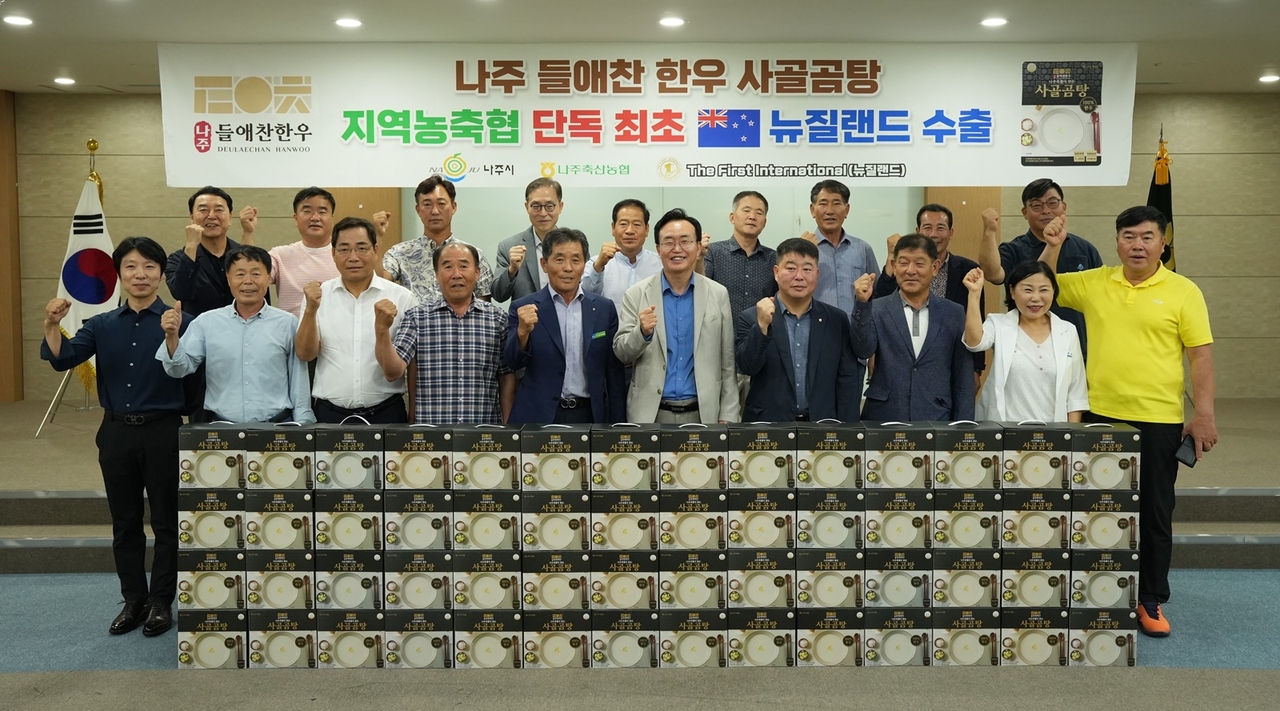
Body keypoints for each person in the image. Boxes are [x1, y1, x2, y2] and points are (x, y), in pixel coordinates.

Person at [1037, 206, 1217, 638]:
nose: (1138, 245)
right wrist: (1053, 245)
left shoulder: (1184, 291)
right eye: (1129, 236)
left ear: (1163, 243)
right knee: (1096, 508)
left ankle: (1149, 597)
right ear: (1117, 241)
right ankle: (1097, 590)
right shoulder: (1096, 281)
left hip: (1159, 419)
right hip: (1099, 415)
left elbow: (1200, 357)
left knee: (1154, 511)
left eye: (1147, 237)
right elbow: (1040, 285)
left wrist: (1204, 414)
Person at [42, 237, 191, 638]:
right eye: (131, 266)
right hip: (116, 432)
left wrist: (174, 336)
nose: (140, 274)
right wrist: (52, 325)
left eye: (149, 267)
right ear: (120, 274)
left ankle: (161, 601)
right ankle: (133, 599)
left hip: (164, 432)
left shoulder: (182, 321)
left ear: (161, 274)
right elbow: (63, 358)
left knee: (166, 522)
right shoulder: (101, 324)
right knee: (125, 523)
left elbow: (193, 375)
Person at [157, 245, 315, 424]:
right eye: (240, 274)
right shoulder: (207, 322)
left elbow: (298, 379)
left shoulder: (288, 323)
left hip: (277, 427)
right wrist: (172, 337)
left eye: (256, 274)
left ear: (268, 277)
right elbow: (178, 369)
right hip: (222, 427)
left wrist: (303, 423)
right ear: (228, 278)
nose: (248, 281)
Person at [614, 208, 738, 424]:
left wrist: (728, 414)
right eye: (669, 242)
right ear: (658, 249)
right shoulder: (637, 294)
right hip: (650, 415)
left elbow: (727, 362)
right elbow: (622, 353)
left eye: (685, 241)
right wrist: (641, 333)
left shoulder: (718, 294)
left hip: (704, 413)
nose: (677, 249)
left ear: (698, 247)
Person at [295, 216, 417, 424]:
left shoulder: (402, 298)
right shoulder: (318, 296)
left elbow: (411, 366)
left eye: (361, 248)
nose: (353, 257)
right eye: (344, 249)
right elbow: (306, 354)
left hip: (386, 413)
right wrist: (311, 311)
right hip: (329, 415)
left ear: (375, 250)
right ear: (333, 253)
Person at [378, 242, 516, 424]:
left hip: (483, 431)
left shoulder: (498, 319)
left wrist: (506, 427)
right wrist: (381, 330)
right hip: (431, 431)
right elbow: (393, 371)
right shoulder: (416, 318)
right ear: (436, 275)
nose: (456, 274)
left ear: (477, 273)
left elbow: (506, 377)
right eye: (448, 267)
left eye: (464, 266)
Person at [504, 228, 626, 424]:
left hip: (589, 415)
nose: (568, 268)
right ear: (544, 264)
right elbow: (512, 362)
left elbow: (614, 374)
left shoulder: (604, 309)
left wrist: (618, 423)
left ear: (584, 265)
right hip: (539, 416)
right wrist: (522, 332)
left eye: (576, 260)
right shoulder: (524, 307)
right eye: (559, 260)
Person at [851, 234, 975, 421]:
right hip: (884, 417)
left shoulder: (953, 313)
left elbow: (963, 375)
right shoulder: (877, 308)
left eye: (919, 263)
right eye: (903, 263)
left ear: (935, 268)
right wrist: (862, 304)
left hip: (936, 416)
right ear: (894, 266)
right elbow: (862, 350)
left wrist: (963, 424)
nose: (910, 271)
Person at [735, 238, 860, 422]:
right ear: (776, 272)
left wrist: (847, 428)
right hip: (768, 425)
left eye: (807, 269)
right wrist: (761, 327)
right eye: (791, 268)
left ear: (817, 274)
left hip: (823, 425)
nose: (799, 276)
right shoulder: (752, 317)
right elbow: (747, 367)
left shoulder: (836, 320)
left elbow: (847, 379)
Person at [978, 178, 1102, 356]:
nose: (1046, 210)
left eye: (1052, 203)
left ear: (1064, 206)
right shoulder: (1013, 249)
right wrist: (989, 232)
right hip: (1024, 350)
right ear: (1025, 212)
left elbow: (1098, 297)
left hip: (1075, 345)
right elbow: (992, 274)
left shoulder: (1085, 249)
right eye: (1036, 205)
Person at [873, 204, 986, 385]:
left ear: (951, 232)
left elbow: (977, 317)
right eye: (927, 227)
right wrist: (890, 260)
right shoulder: (904, 267)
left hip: (950, 361)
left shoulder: (968, 269)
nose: (933, 234)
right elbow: (880, 304)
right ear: (918, 231)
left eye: (940, 228)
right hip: (903, 364)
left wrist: (976, 368)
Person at [962, 261, 1088, 422]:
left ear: (1054, 291)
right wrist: (974, 294)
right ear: (1012, 292)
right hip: (1004, 428)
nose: (1036, 298)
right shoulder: (998, 323)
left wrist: (1070, 432)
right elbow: (974, 343)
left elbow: (1076, 392)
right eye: (1028, 290)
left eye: (1044, 290)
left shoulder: (1068, 330)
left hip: (1053, 430)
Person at [379, 174, 494, 304]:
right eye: (427, 204)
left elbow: (484, 304)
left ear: (454, 207)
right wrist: (377, 237)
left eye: (441, 204)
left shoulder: (474, 254)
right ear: (418, 209)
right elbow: (379, 282)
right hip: (413, 317)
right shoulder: (399, 253)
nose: (434, 211)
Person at [237, 186, 340, 319]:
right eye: (307, 211)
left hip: (338, 331)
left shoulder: (345, 256)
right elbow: (251, 272)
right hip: (290, 330)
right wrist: (248, 232)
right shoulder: (280, 255)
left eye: (322, 212)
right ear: (295, 218)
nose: (315, 217)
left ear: (332, 218)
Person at [165, 186, 245, 317]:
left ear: (230, 217)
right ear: (192, 217)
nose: (211, 216)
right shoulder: (177, 259)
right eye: (203, 210)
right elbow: (181, 293)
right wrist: (191, 246)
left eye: (219, 210)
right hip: (198, 328)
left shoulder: (242, 254)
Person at [491, 177, 564, 303]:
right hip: (526, 315)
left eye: (549, 206)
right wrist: (512, 270)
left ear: (560, 207)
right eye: (536, 206)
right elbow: (498, 296)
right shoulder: (509, 247)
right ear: (527, 207)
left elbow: (584, 289)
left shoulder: (574, 245)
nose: (543, 213)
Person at [582, 198, 662, 306]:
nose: (629, 231)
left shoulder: (661, 264)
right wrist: (599, 266)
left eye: (637, 224)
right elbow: (584, 297)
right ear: (613, 228)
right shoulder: (596, 263)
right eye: (623, 224)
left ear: (647, 229)